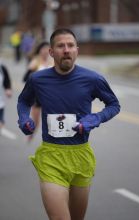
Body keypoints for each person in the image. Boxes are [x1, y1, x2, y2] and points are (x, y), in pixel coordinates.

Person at [17, 28, 120, 220]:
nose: (66, 49)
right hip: (51, 157)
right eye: (61, 45)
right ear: (51, 52)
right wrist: (24, 118)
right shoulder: (38, 79)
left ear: (77, 50)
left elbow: (114, 104)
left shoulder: (93, 79)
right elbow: (24, 101)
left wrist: (96, 118)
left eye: (70, 45)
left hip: (81, 155)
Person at [23, 41, 53, 141]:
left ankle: (51, 139)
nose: (45, 51)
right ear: (39, 50)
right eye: (43, 49)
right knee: (36, 122)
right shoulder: (35, 61)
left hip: (50, 95)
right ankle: (31, 133)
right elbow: (26, 78)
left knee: (52, 119)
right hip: (37, 95)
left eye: (47, 49)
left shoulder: (52, 62)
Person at [0, 63, 12, 134]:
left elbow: (7, 80)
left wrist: (8, 89)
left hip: (0, 102)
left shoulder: (2, 68)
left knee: (1, 123)